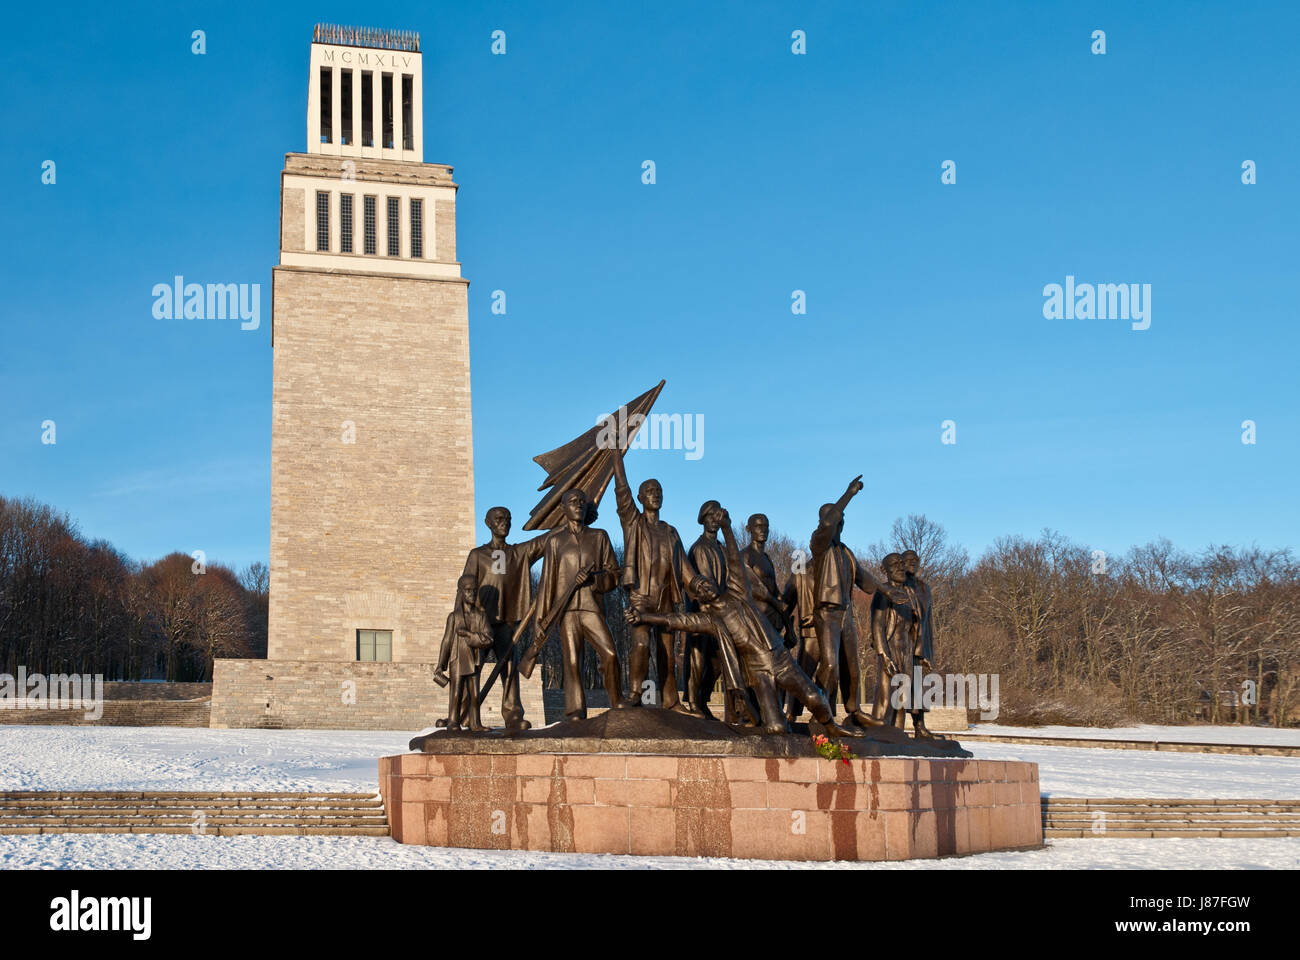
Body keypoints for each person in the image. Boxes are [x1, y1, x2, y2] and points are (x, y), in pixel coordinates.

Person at [627, 508, 855, 737]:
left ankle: (832, 727)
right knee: (775, 726)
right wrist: (644, 617)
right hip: (759, 670)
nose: (705, 586)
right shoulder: (712, 620)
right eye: (700, 588)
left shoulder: (738, 591)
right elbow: (677, 620)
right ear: (701, 597)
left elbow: (735, 559)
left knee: (816, 697)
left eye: (706, 583)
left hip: (779, 657)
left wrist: (727, 528)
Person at [519, 488, 633, 720]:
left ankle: (617, 700)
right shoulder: (555, 541)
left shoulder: (599, 537)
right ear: (564, 508)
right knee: (572, 662)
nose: (578, 505)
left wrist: (594, 579)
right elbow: (546, 584)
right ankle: (575, 712)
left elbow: (614, 574)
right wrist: (539, 622)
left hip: (592, 607)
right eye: (573, 502)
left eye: (582, 501)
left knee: (610, 653)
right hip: (567, 610)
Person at [611, 447, 698, 712]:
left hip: (665, 599)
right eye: (650, 491)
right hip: (640, 597)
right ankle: (636, 692)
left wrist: (700, 585)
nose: (656, 494)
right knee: (640, 644)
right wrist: (616, 454)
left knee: (668, 654)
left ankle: (671, 700)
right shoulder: (634, 523)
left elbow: (685, 571)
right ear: (640, 497)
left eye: (658, 490)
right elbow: (622, 492)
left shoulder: (671, 532)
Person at [455, 506, 546, 730]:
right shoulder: (477, 555)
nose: (504, 522)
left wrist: (566, 519)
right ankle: (459, 715)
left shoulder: (518, 552)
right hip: (480, 624)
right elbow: (463, 586)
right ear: (488, 523)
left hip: (507, 622)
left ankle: (513, 715)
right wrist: (460, 620)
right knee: (471, 669)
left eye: (507, 518)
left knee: (509, 669)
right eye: (498, 519)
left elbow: (544, 542)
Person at [809, 476, 888, 726]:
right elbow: (828, 521)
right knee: (830, 666)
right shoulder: (818, 545)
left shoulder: (846, 553)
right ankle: (821, 712)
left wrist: (889, 592)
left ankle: (853, 712)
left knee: (852, 668)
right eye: (834, 521)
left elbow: (867, 581)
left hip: (846, 614)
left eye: (841, 522)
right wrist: (848, 494)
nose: (838, 526)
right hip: (826, 614)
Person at [433, 575, 496, 732]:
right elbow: (446, 641)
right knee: (456, 692)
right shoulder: (453, 617)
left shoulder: (480, 616)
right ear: (460, 592)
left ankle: (475, 723)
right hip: (457, 658)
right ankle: (453, 721)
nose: (472, 594)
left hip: (474, 659)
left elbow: (488, 639)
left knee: (474, 694)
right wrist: (441, 664)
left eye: (474, 591)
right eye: (468, 591)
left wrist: (469, 635)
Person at [901, 549, 939, 739]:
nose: (912, 563)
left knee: (918, 685)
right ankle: (896, 728)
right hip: (902, 641)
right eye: (908, 560)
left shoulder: (924, 587)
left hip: (918, 641)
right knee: (901, 685)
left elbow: (928, 619)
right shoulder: (898, 585)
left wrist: (927, 649)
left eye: (915, 560)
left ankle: (920, 726)